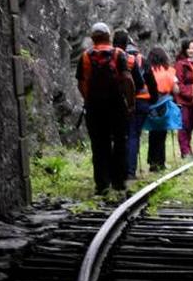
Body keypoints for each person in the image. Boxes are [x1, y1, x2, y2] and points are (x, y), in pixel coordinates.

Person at [75, 22, 129, 194]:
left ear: (93, 38)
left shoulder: (84, 56)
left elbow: (81, 83)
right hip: (117, 105)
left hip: (94, 107)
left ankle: (102, 183)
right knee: (120, 142)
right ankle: (118, 181)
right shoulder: (119, 54)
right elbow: (127, 80)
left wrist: (89, 99)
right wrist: (130, 102)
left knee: (99, 145)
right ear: (109, 36)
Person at [115, 30, 157, 180]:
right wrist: (153, 100)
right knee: (133, 136)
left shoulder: (114, 57)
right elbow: (149, 83)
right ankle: (130, 172)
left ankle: (118, 170)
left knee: (121, 136)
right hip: (141, 102)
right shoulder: (142, 60)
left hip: (120, 102)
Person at [144, 46, 178, 171]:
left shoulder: (148, 70)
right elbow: (176, 90)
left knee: (153, 133)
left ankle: (152, 161)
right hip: (164, 104)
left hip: (151, 103)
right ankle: (161, 162)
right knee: (162, 133)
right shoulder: (169, 71)